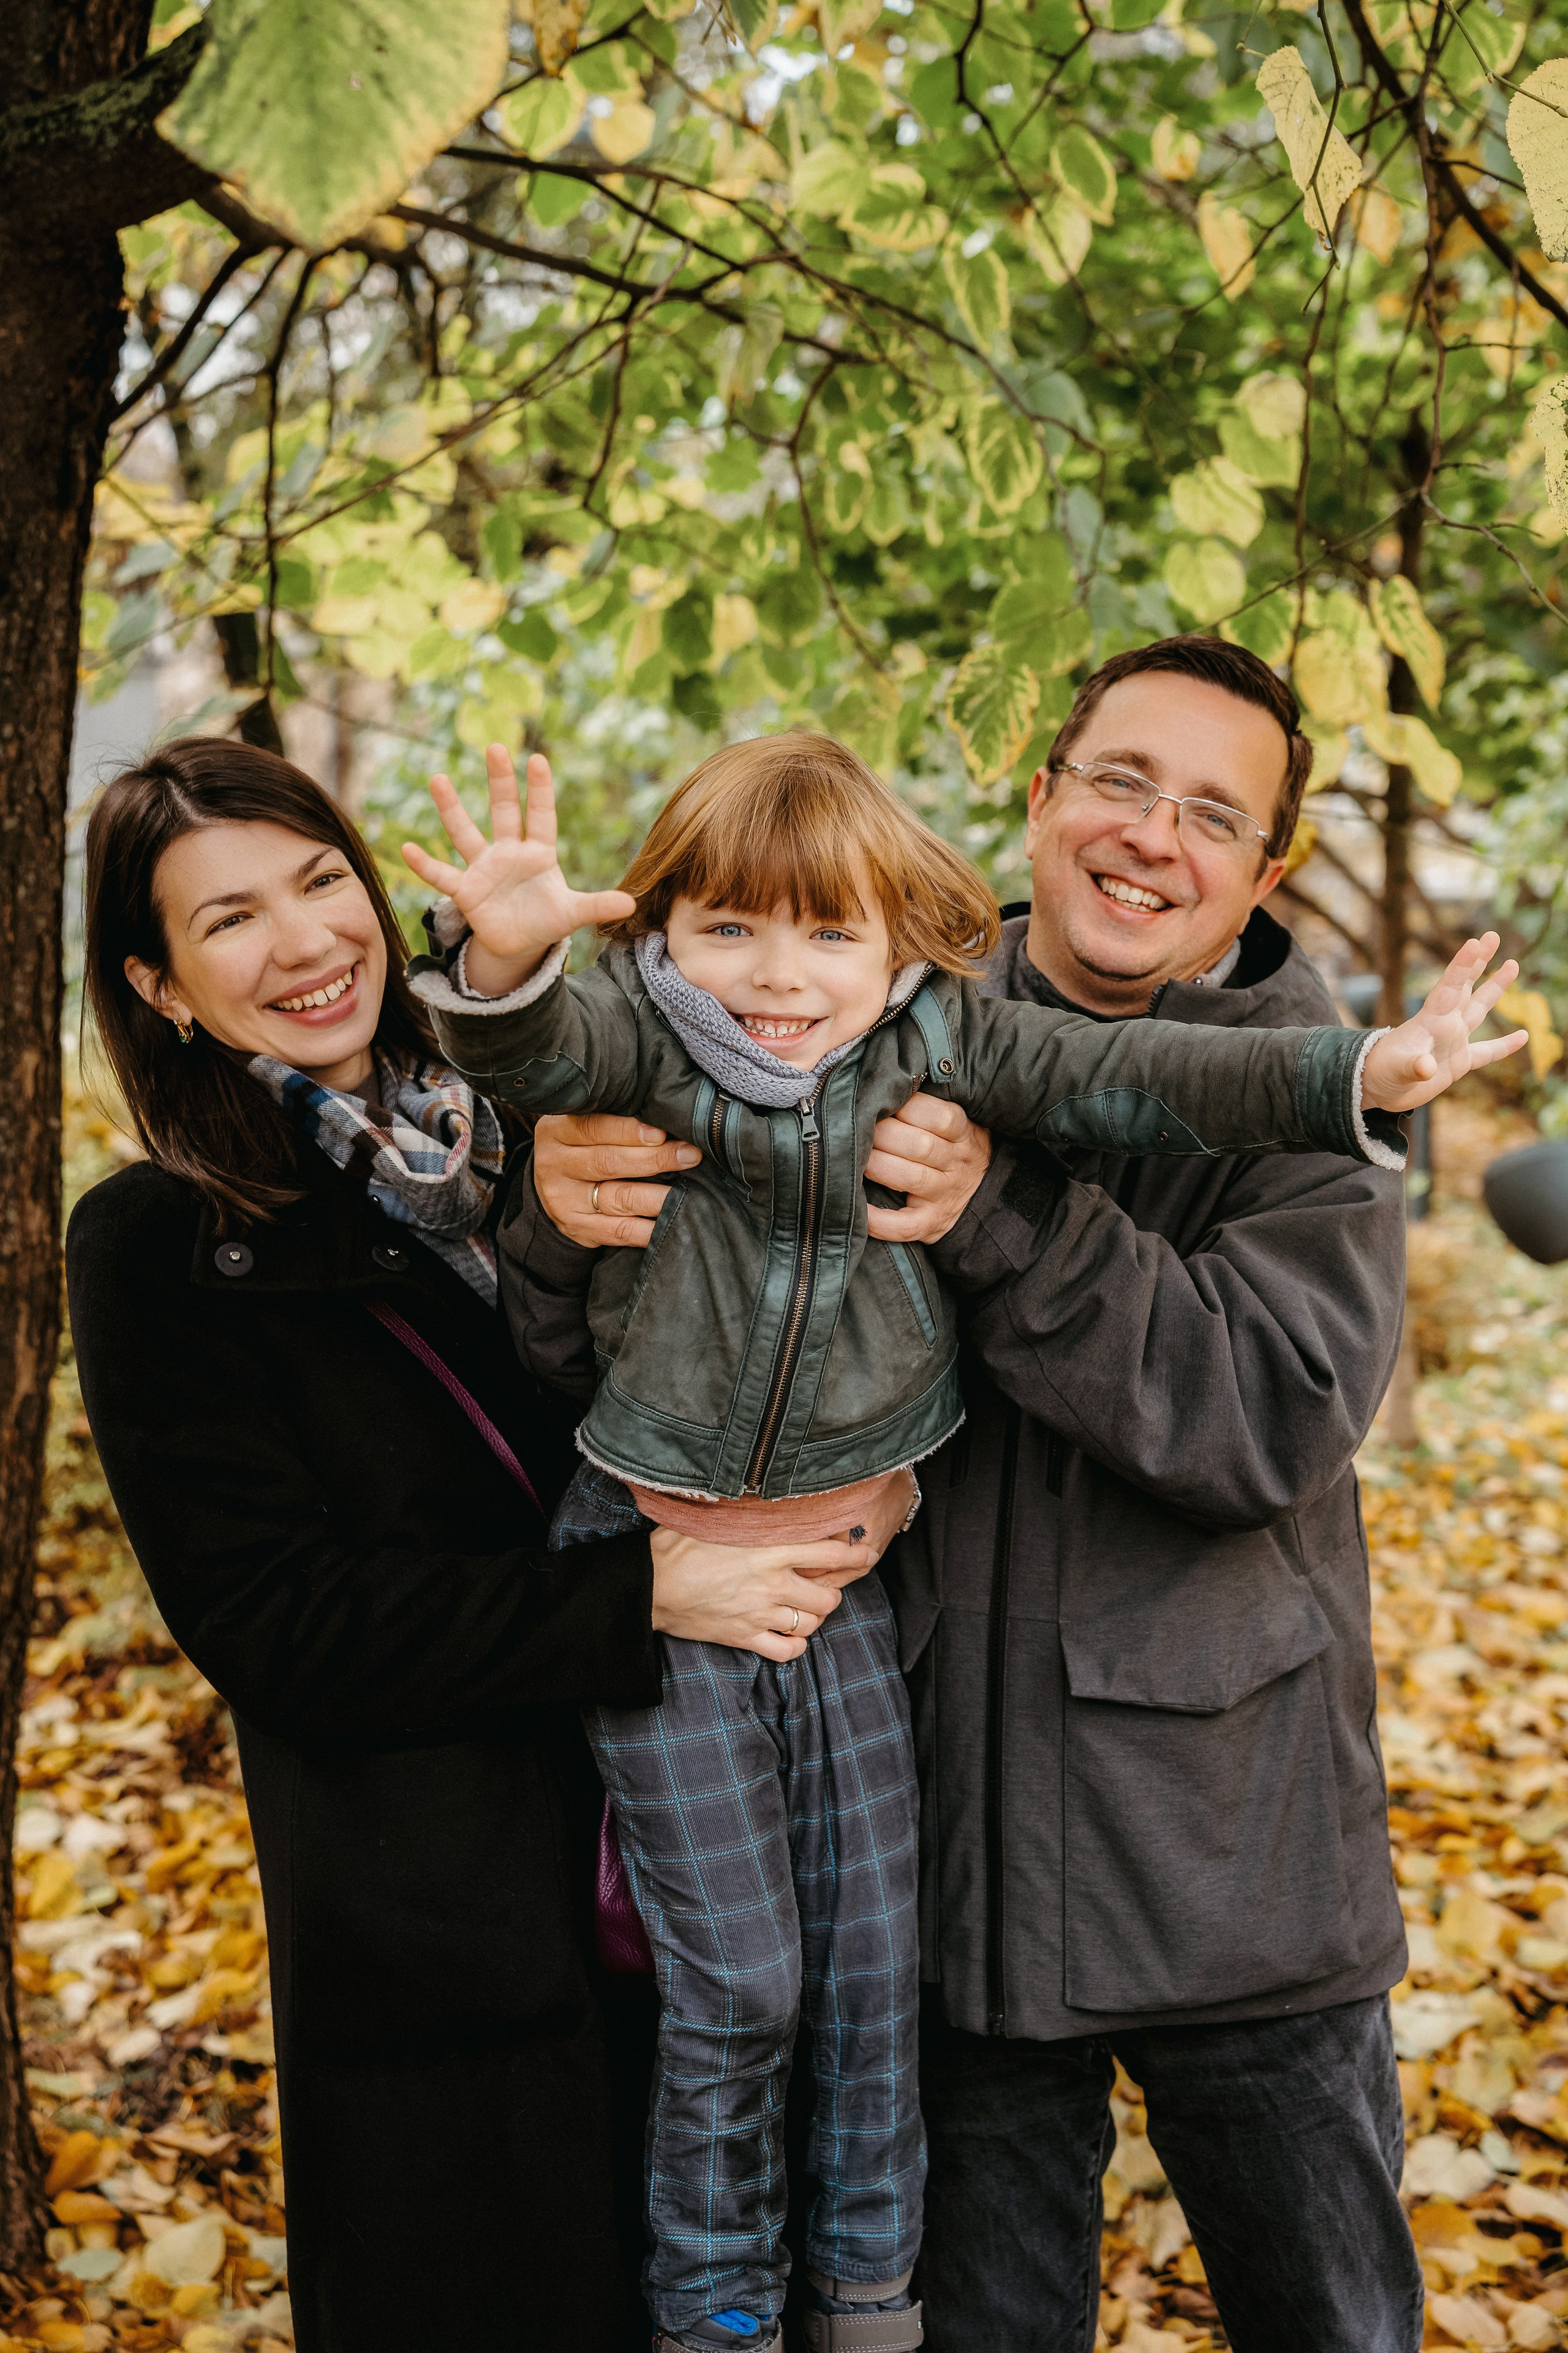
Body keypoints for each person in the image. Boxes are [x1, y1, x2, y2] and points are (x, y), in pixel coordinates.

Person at [409, 708, 1518, 2353]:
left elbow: (1259, 1418)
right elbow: (608, 1345)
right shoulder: (838, 1004)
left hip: (1232, 1866)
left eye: (1212, 814)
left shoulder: (1272, 1081)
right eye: (1121, 781)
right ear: (1039, 798)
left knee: (1328, 2318)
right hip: (965, 1850)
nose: (1154, 833)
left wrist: (1006, 1209)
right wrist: (561, 1212)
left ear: (1266, 870)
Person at [64, 738, 887, 2353]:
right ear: (159, 986)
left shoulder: (540, 1125)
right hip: (457, 1943)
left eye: (319, 882)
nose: (303, 942)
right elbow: (283, 1627)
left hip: (701, 1861)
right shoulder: (165, 1243)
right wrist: (633, 1594)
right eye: (228, 921)